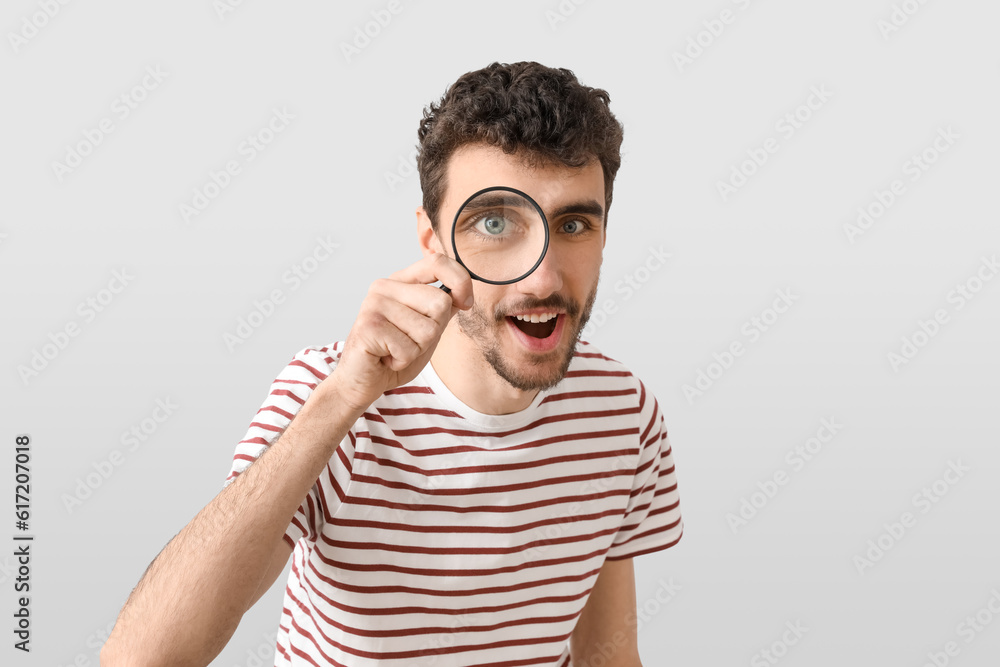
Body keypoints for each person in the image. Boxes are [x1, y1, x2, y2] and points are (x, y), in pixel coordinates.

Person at [101, 61, 683, 667]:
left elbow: (606, 656)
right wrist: (343, 398)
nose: (541, 277)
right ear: (433, 242)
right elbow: (141, 659)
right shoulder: (325, 393)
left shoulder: (622, 410)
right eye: (493, 222)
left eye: (573, 224)